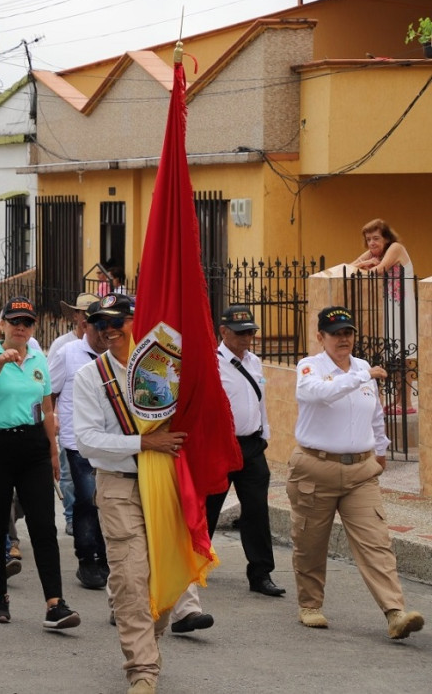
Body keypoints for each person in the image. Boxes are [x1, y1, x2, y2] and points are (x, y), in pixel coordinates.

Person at [72, 293, 188, 693]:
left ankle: (147, 644)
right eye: (101, 323)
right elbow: (86, 440)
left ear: (136, 322)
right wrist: (144, 444)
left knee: (169, 578)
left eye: (117, 320)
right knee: (131, 578)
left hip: (166, 486)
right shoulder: (91, 376)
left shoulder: (165, 364)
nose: (109, 329)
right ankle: (142, 669)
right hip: (119, 485)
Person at [289, 305, 424, 639]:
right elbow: (318, 394)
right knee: (310, 541)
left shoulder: (363, 368)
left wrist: (380, 449)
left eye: (348, 333)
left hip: (359, 471)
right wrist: (361, 376)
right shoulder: (310, 367)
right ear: (321, 337)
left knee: (376, 540)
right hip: (315, 467)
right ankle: (310, 604)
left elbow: (374, 412)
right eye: (336, 334)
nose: (343, 339)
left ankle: (395, 612)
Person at [0, 296, 80, 631]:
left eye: (26, 323)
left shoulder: (39, 356)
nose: (20, 328)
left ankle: (55, 603)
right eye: (14, 322)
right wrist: (3, 361)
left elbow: (47, 407)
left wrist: (53, 451)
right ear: (1, 324)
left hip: (33, 444)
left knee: (43, 525)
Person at [206, 305, 284, 596]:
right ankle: (192, 564)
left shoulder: (254, 361)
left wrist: (264, 431)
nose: (246, 338)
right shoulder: (211, 362)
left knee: (256, 509)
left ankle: (261, 573)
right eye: (240, 333)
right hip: (219, 445)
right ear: (223, 332)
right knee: (208, 508)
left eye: (250, 332)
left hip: (251, 445)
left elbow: (259, 398)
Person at [49, 298, 108, 590]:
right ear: (85, 325)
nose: (103, 332)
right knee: (87, 502)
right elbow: (49, 393)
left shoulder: (118, 354)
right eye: (98, 325)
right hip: (79, 442)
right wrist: (52, 429)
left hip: (112, 443)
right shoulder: (68, 353)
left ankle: (108, 558)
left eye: (107, 325)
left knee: (109, 503)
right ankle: (88, 560)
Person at [350, 218, 417, 414]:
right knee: (393, 353)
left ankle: (406, 402)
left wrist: (369, 264)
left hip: (402, 306)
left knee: (403, 351)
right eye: (368, 239)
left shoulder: (395, 248)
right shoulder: (373, 253)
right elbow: (350, 267)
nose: (372, 243)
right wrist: (365, 261)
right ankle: (397, 400)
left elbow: (379, 270)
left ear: (386, 238)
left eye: (376, 238)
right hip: (387, 307)